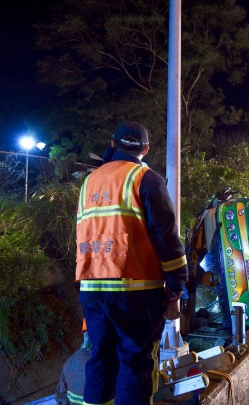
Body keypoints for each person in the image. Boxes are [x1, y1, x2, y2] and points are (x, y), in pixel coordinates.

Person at [75, 121, 188, 405]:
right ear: (146, 149)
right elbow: (166, 237)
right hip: (135, 291)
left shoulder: (89, 183)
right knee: (135, 364)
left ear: (113, 144)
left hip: (92, 289)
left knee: (100, 359)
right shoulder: (146, 178)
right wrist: (176, 287)